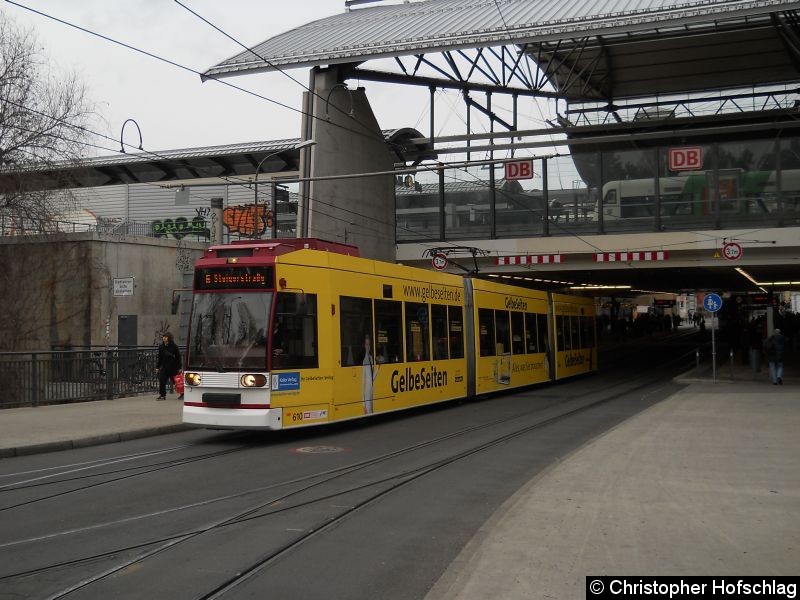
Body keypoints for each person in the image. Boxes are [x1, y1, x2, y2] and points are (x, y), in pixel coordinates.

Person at [156, 332, 182, 400]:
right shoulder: (161, 347)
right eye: (163, 337)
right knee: (162, 381)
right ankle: (162, 395)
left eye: (166, 337)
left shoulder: (174, 346)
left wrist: (179, 367)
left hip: (173, 367)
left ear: (169, 338)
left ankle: (182, 393)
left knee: (176, 382)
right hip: (165, 367)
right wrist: (157, 367)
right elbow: (160, 358)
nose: (164, 338)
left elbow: (178, 357)